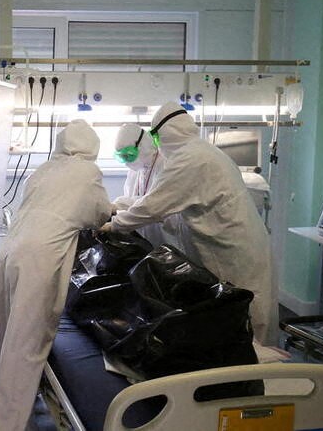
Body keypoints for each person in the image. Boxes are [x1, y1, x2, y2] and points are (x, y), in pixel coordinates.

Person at [100, 102, 276, 345]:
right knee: (229, 318)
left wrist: (115, 224)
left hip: (234, 253)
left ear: (165, 134)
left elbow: (154, 205)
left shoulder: (191, 159)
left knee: (245, 316)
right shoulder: (198, 151)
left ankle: (256, 375)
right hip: (227, 246)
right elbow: (152, 201)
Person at [0, 119, 113, 431]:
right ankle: (6, 426)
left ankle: (3, 414)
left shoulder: (43, 171)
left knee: (4, 339)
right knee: (24, 349)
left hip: (9, 252)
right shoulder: (88, 172)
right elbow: (99, 214)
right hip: (38, 261)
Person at [111, 123, 182, 249]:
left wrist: (118, 206)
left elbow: (156, 205)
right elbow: (132, 202)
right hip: (144, 240)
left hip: (167, 239)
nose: (127, 161)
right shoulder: (135, 169)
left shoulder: (165, 165)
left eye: (129, 155)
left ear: (142, 146)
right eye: (122, 157)